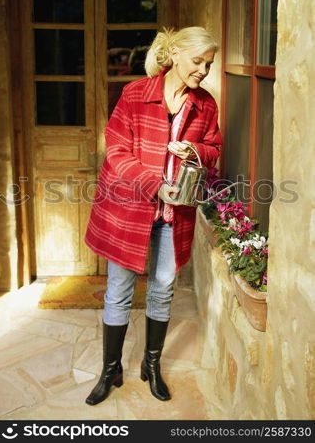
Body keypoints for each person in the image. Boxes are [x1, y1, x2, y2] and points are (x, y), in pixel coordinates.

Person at [84, 26, 222, 405]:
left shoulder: (206, 104)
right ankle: (111, 369)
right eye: (197, 61)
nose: (203, 71)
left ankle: (151, 365)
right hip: (129, 209)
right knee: (119, 293)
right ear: (175, 54)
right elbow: (116, 150)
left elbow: (214, 148)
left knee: (162, 291)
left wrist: (193, 150)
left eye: (208, 64)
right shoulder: (134, 94)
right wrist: (153, 183)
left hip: (173, 215)